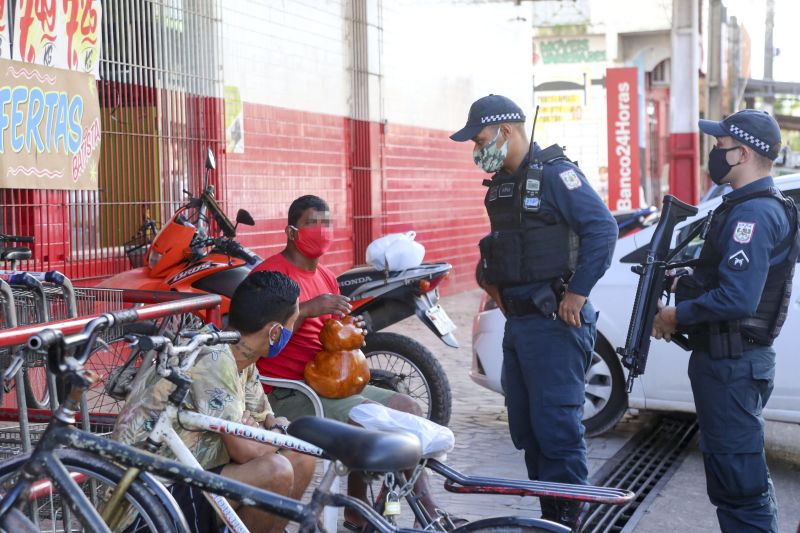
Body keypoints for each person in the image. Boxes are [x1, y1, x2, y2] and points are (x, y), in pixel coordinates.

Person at [451, 94, 618, 529]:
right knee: (528, 433)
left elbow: (602, 228)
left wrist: (577, 293)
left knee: (558, 434)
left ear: (506, 132)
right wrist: (496, 288)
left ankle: (570, 522)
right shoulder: (504, 184)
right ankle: (550, 518)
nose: (476, 150)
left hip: (555, 327)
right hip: (520, 325)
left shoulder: (558, 175)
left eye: (480, 139)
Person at [250, 194, 442, 529]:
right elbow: (257, 339)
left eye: (327, 223)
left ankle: (390, 510)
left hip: (329, 384)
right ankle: (409, 515)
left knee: (407, 408)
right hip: (289, 393)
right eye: (312, 223)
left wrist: (353, 330)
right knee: (370, 422)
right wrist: (309, 308)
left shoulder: (326, 275)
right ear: (292, 231)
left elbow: (331, 335)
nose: (322, 230)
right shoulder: (270, 275)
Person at [653, 109, 798, 533]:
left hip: (733, 366)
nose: (713, 155)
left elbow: (738, 297)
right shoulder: (745, 207)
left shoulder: (753, 215)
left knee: (740, 488)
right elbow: (724, 277)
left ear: (743, 153)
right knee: (738, 483)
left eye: (719, 147)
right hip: (731, 364)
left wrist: (676, 314)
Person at [113, 271, 316, 533]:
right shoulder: (214, 358)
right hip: (149, 498)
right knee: (275, 470)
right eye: (292, 323)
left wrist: (266, 431)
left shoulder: (243, 356)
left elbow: (265, 418)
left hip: (195, 478)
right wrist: (272, 432)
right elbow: (247, 449)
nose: (292, 330)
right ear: (274, 332)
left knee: (301, 457)